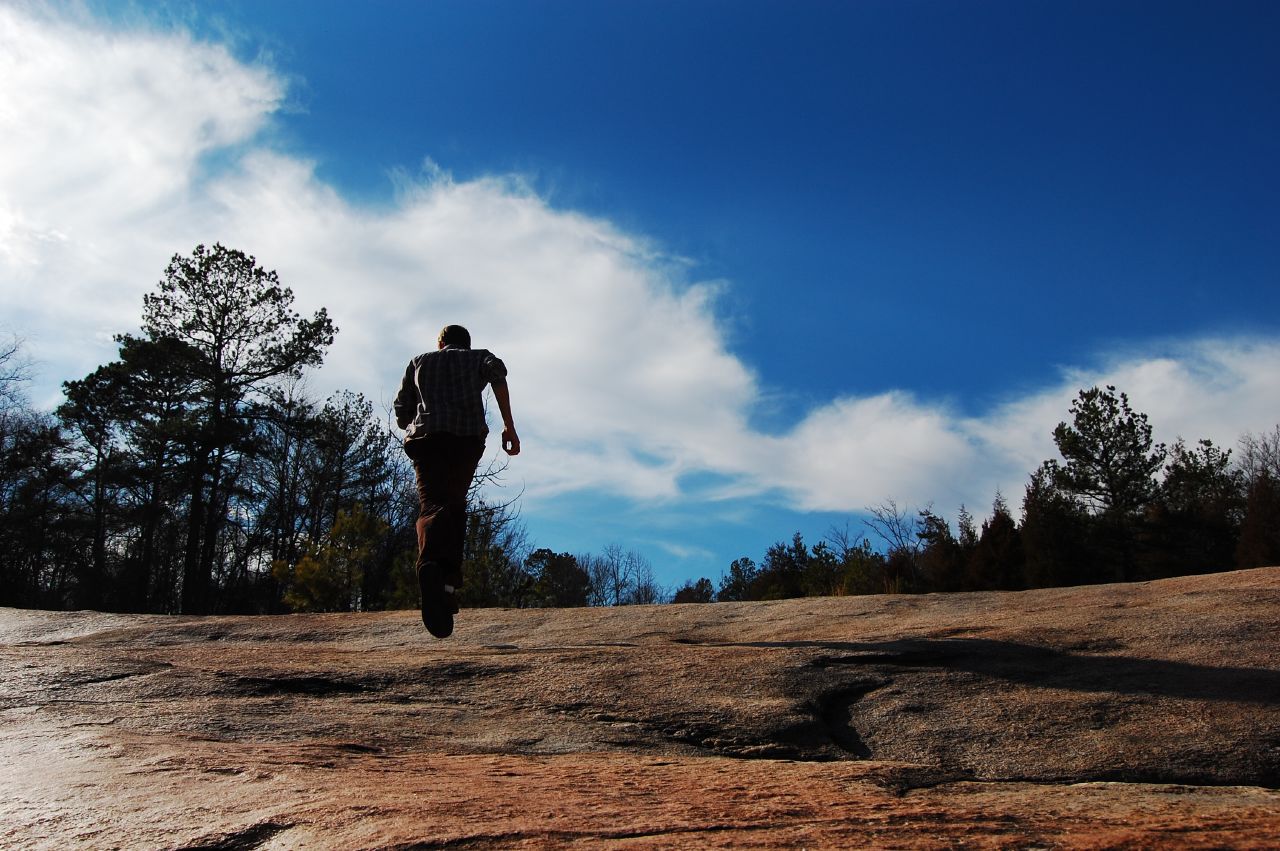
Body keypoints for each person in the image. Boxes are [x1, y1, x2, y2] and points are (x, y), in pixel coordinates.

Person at [394, 325, 519, 638]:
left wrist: (416, 420)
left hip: (427, 440)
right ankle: (446, 584)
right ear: (467, 344)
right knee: (454, 506)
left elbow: (400, 410)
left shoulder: (419, 362)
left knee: (432, 505)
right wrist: (509, 427)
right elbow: (499, 376)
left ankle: (434, 573)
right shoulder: (480, 357)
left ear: (440, 344)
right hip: (465, 439)